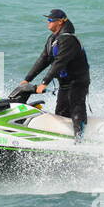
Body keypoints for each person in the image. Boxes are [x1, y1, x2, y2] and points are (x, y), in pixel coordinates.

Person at [23, 9, 90, 141]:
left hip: (77, 82)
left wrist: (44, 82)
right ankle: (63, 138)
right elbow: (43, 60)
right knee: (61, 112)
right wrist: (27, 80)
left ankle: (80, 140)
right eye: (48, 20)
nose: (48, 23)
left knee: (76, 108)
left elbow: (59, 62)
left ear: (60, 22)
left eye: (50, 20)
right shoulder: (52, 39)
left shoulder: (69, 40)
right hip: (65, 83)